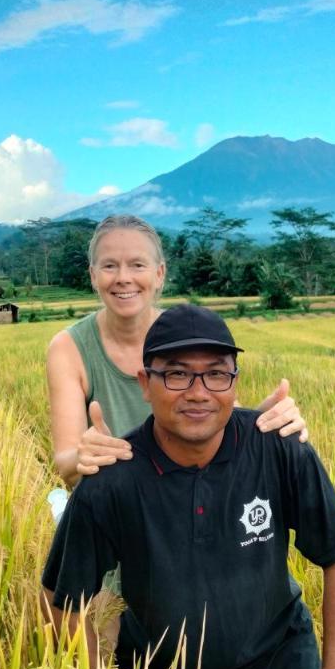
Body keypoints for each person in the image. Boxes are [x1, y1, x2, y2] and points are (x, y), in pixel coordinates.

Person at [42, 305, 335, 669]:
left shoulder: (280, 449)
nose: (198, 393)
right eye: (176, 375)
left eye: (216, 375)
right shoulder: (112, 481)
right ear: (144, 383)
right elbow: (62, 600)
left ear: (235, 381)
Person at [45, 214, 307, 499]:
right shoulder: (68, 348)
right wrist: (87, 453)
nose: (123, 278)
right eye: (109, 266)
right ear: (93, 275)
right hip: (116, 502)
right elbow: (66, 461)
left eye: (137, 265)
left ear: (159, 274)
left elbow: (216, 420)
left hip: (189, 497)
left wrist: (261, 422)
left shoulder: (187, 332)